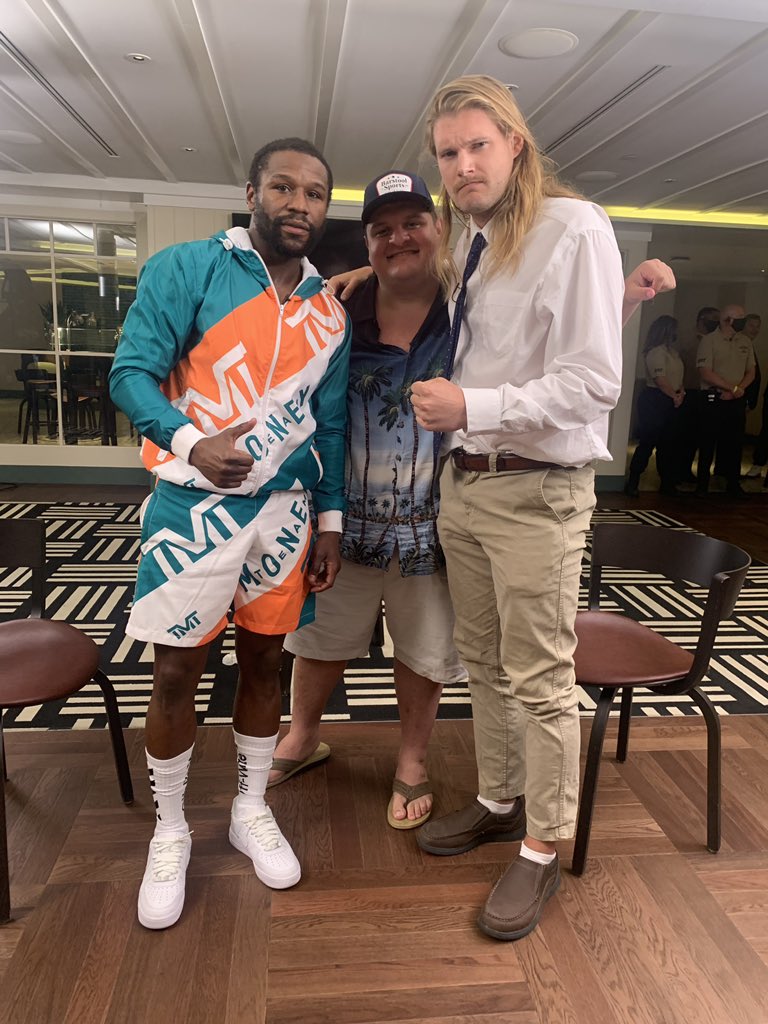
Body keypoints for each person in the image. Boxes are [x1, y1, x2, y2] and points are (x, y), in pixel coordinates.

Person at [108, 137, 351, 929]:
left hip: (286, 514)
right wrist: (190, 443)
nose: (299, 203)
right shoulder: (188, 267)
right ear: (252, 193)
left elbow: (333, 426)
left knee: (266, 664)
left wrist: (330, 522)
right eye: (283, 187)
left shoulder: (330, 314)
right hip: (192, 508)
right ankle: (171, 829)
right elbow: (130, 375)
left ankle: (250, 809)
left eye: (314, 193)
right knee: (176, 672)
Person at [406, 74, 624, 942]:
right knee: (484, 661)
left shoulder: (573, 228)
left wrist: (475, 406)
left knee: (540, 678)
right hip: (466, 485)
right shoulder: (472, 239)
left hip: (536, 490)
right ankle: (501, 800)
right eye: (448, 153)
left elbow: (593, 381)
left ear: (515, 145)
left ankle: (543, 847)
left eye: (478, 146)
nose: (463, 165)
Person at [270, 171, 466, 828]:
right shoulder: (338, 311)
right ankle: (302, 737)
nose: (398, 238)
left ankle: (412, 760)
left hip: (435, 529)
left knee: (425, 648)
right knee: (319, 638)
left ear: (439, 229)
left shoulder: (469, 310)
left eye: (413, 224)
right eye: (382, 231)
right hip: (341, 521)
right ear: (367, 243)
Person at [695, 304, 755, 498]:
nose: (743, 321)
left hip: (736, 399)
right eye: (740, 318)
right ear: (728, 320)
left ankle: (732, 483)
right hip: (714, 398)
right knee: (707, 442)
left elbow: (751, 371)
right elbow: (705, 372)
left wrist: (738, 390)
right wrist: (731, 388)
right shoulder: (709, 340)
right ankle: (702, 485)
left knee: (735, 443)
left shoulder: (745, 341)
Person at [624, 315, 684, 497]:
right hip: (655, 399)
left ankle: (667, 482)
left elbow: (677, 377)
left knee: (668, 444)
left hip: (672, 398)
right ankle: (633, 481)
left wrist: (680, 393)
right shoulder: (655, 352)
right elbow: (660, 379)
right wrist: (674, 395)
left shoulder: (673, 353)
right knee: (648, 442)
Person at [677, 306, 719, 485]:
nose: (715, 323)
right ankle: (678, 471)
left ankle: (690, 471)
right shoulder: (688, 339)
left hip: (706, 392)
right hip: (688, 390)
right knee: (685, 435)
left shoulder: (715, 341)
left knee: (700, 436)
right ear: (701, 320)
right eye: (712, 319)